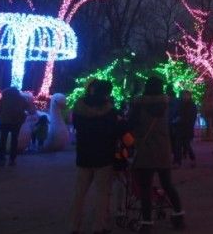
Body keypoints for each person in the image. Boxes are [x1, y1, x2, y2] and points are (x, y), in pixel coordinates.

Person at [130, 76, 185, 232]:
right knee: (167, 184)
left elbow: (131, 123)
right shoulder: (167, 104)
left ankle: (147, 222)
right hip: (162, 149)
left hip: (145, 149)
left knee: (145, 188)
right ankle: (179, 214)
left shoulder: (138, 104)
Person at [69, 79, 120, 234]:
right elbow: (113, 132)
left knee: (79, 192)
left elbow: (76, 126)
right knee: (102, 193)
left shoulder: (79, 108)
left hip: (84, 155)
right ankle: (99, 226)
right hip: (103, 156)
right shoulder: (109, 110)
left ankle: (74, 225)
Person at [0, 86, 30, 166]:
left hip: (4, 121)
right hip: (16, 122)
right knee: (14, 140)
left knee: (3, 140)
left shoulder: (3, 98)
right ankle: (12, 159)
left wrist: (2, 115)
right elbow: (27, 107)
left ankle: (2, 159)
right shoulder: (20, 98)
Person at [171, 89, 197, 168]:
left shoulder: (191, 105)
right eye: (183, 95)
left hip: (187, 128)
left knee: (186, 145)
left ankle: (192, 158)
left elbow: (191, 117)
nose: (184, 97)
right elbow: (176, 113)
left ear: (189, 96)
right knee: (178, 145)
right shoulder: (180, 104)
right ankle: (177, 161)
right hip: (180, 127)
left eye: (186, 95)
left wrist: (180, 119)